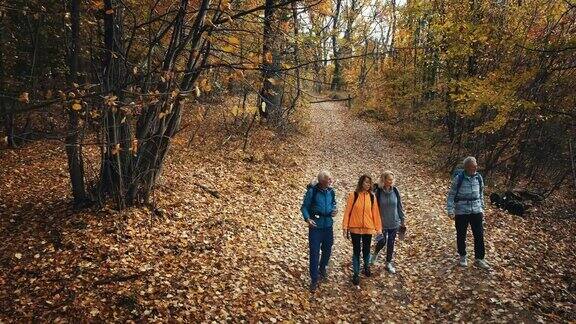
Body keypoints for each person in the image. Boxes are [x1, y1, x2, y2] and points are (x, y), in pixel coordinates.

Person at [446, 156, 490, 269]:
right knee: (461, 235)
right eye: (472, 166)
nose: (475, 167)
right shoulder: (458, 179)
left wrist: (482, 208)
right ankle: (462, 255)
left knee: (479, 235)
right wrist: (450, 210)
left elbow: (481, 194)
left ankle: (479, 259)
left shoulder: (478, 178)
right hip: (461, 211)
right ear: (466, 167)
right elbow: (451, 195)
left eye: (475, 165)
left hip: (476, 210)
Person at [301, 170, 337, 292]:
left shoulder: (331, 191)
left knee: (328, 249)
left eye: (330, 179)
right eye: (328, 179)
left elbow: (333, 204)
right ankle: (314, 279)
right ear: (322, 181)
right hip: (315, 227)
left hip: (328, 226)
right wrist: (307, 219)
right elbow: (304, 207)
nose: (330, 181)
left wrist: (334, 210)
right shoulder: (312, 192)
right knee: (314, 253)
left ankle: (322, 268)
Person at [342, 174, 382, 286]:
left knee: (366, 249)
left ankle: (366, 266)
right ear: (361, 183)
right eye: (365, 182)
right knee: (356, 250)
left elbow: (376, 214)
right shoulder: (353, 195)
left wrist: (378, 229)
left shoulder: (372, 197)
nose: (367, 185)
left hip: (368, 228)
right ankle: (355, 273)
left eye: (369, 183)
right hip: (354, 228)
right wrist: (345, 227)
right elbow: (347, 212)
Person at [370, 171, 405, 274]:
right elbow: (373, 207)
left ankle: (388, 262)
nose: (391, 181)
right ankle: (375, 254)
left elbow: (399, 205)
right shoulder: (378, 192)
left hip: (394, 222)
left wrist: (402, 219)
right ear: (383, 180)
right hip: (382, 223)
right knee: (382, 241)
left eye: (392, 179)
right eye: (389, 179)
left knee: (391, 243)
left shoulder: (395, 191)